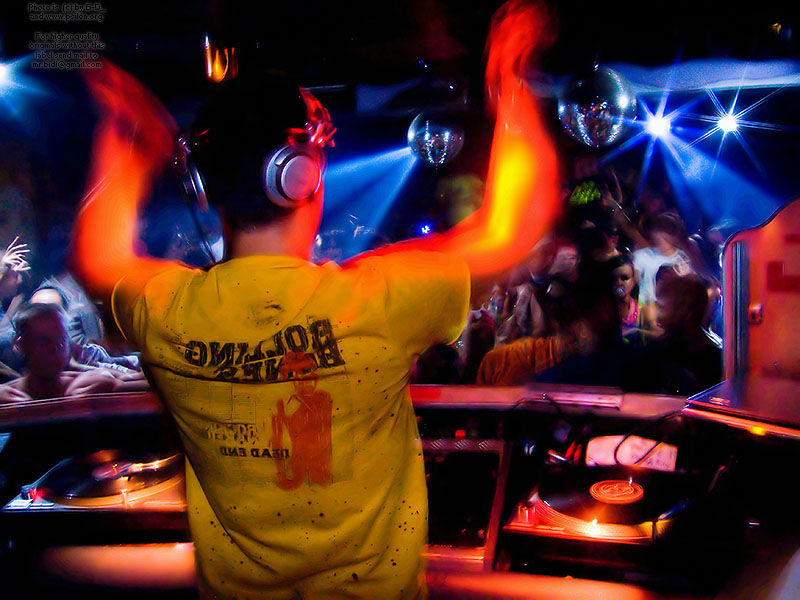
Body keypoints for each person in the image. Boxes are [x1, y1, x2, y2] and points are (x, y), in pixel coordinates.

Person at [69, 3, 559, 598]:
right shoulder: (376, 301)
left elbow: (95, 258)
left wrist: (127, 139)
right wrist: (512, 77)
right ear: (299, 174)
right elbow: (515, 227)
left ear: (203, 188)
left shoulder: (165, 312)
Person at [0, 303, 147, 403]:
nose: (56, 348)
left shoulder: (93, 384)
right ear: (20, 345)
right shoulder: (7, 396)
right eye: (44, 340)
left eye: (62, 339)